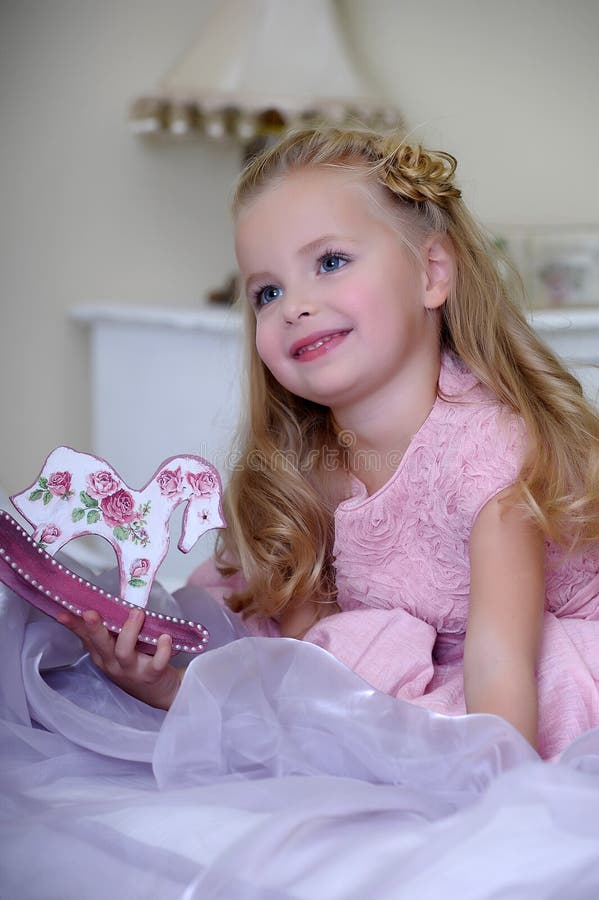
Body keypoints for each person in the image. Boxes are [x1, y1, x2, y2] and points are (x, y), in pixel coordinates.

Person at [60, 126, 599, 759]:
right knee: (341, 657)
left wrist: (491, 817)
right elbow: (306, 674)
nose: (295, 305)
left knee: (537, 678)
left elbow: (499, 668)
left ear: (431, 273)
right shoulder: (304, 467)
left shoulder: (489, 455)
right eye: (268, 292)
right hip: (425, 678)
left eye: (330, 262)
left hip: (519, 676)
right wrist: (173, 689)